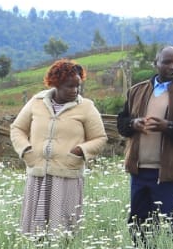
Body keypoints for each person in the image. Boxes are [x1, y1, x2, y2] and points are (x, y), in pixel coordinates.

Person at [117, 46, 173, 242]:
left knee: (167, 225)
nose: (172, 66)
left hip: (170, 173)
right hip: (140, 171)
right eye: (167, 62)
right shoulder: (136, 91)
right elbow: (121, 123)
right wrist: (134, 124)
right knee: (138, 223)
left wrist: (169, 126)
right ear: (156, 64)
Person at [9, 60, 108, 236]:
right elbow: (17, 129)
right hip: (38, 174)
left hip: (66, 175)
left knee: (63, 228)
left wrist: (79, 151)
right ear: (56, 84)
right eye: (69, 86)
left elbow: (99, 138)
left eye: (77, 86)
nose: (75, 91)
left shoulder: (86, 107)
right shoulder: (37, 101)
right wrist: (26, 151)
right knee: (35, 229)